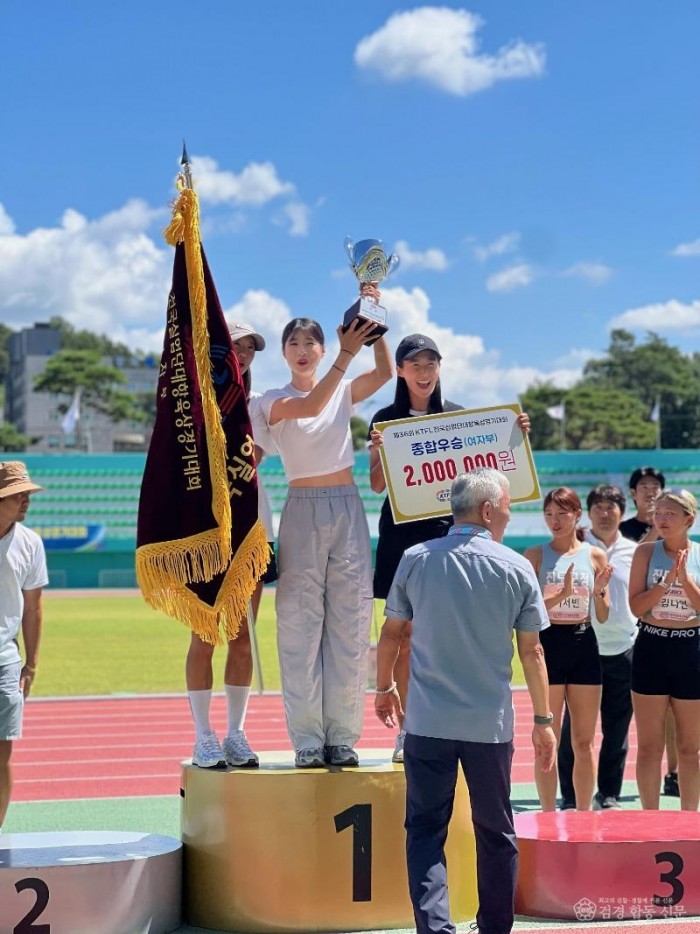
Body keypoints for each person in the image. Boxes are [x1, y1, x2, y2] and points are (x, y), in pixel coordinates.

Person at [374, 468, 555, 934]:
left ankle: (434, 928)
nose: (510, 516)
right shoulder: (516, 567)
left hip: (427, 722)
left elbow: (393, 634)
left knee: (425, 831)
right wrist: (543, 720)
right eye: (508, 508)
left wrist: (384, 687)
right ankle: (494, 926)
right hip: (487, 726)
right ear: (489, 510)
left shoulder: (415, 558)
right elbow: (532, 651)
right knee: (496, 832)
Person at [367, 333, 529, 762]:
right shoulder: (385, 419)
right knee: (403, 634)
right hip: (401, 534)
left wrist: (514, 436)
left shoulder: (458, 416)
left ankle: (443, 723)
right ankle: (408, 730)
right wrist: (381, 454)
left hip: (447, 531)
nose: (423, 372)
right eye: (415, 365)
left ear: (439, 368)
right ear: (400, 371)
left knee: (441, 632)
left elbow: (490, 465)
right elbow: (377, 484)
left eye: (430, 364)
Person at [259, 301, 392, 768]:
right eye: (293, 343)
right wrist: (346, 353)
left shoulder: (344, 390)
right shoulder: (271, 400)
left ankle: (342, 736)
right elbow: (312, 405)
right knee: (299, 625)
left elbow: (385, 372)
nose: (302, 349)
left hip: (346, 506)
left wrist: (374, 322)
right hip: (302, 508)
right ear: (283, 352)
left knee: (350, 624)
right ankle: (307, 740)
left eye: (310, 342)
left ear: (321, 348)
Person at [186, 323, 277, 769]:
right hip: (207, 533)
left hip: (250, 531)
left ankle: (235, 733)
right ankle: (203, 736)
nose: (242, 354)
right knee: (204, 635)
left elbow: (250, 460)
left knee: (242, 639)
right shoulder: (195, 403)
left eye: (249, 349)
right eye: (235, 346)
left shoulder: (257, 405)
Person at [524, 488, 611, 811]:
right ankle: (548, 813)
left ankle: (584, 814)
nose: (555, 521)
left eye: (562, 514)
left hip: (583, 643)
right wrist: (561, 595)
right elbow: (527, 611)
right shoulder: (535, 555)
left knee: (584, 742)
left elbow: (603, 614)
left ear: (577, 515)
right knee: (548, 739)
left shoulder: (595, 556)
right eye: (549, 514)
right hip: (549, 645)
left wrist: (598, 592)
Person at [557, 485, 637, 810]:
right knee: (573, 730)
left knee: (617, 728)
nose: (604, 513)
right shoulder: (576, 547)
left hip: (624, 649)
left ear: (622, 512)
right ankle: (570, 795)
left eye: (611, 507)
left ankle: (608, 793)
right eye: (598, 507)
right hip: (583, 647)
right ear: (587, 513)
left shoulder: (635, 550)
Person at [628, 488, 700, 811]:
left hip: (691, 651)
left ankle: (690, 821)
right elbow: (636, 607)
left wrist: (685, 579)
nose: (662, 519)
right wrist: (666, 582)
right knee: (649, 747)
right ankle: (649, 819)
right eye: (658, 513)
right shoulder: (645, 553)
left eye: (670, 513)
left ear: (689, 519)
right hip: (652, 648)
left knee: (690, 749)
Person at [618, 466, 679, 797]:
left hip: (670, 630)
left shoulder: (676, 532)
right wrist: (656, 526)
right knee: (630, 713)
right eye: (643, 487)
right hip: (631, 627)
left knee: (672, 712)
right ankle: (615, 783)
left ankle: (673, 772)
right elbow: (632, 563)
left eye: (656, 486)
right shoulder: (625, 529)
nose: (650, 491)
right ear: (633, 493)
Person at [0, 461, 48, 827]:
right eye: (18, 495)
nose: (26, 501)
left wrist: (31, 664)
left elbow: (33, 608)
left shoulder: (30, 543)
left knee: (2, 755)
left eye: (27, 494)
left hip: (5, 661)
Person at [619, 466, 666, 544]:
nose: (650, 494)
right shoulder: (621, 529)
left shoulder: (671, 526)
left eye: (655, 488)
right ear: (633, 493)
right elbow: (635, 551)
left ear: (663, 493)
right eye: (644, 488)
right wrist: (656, 528)